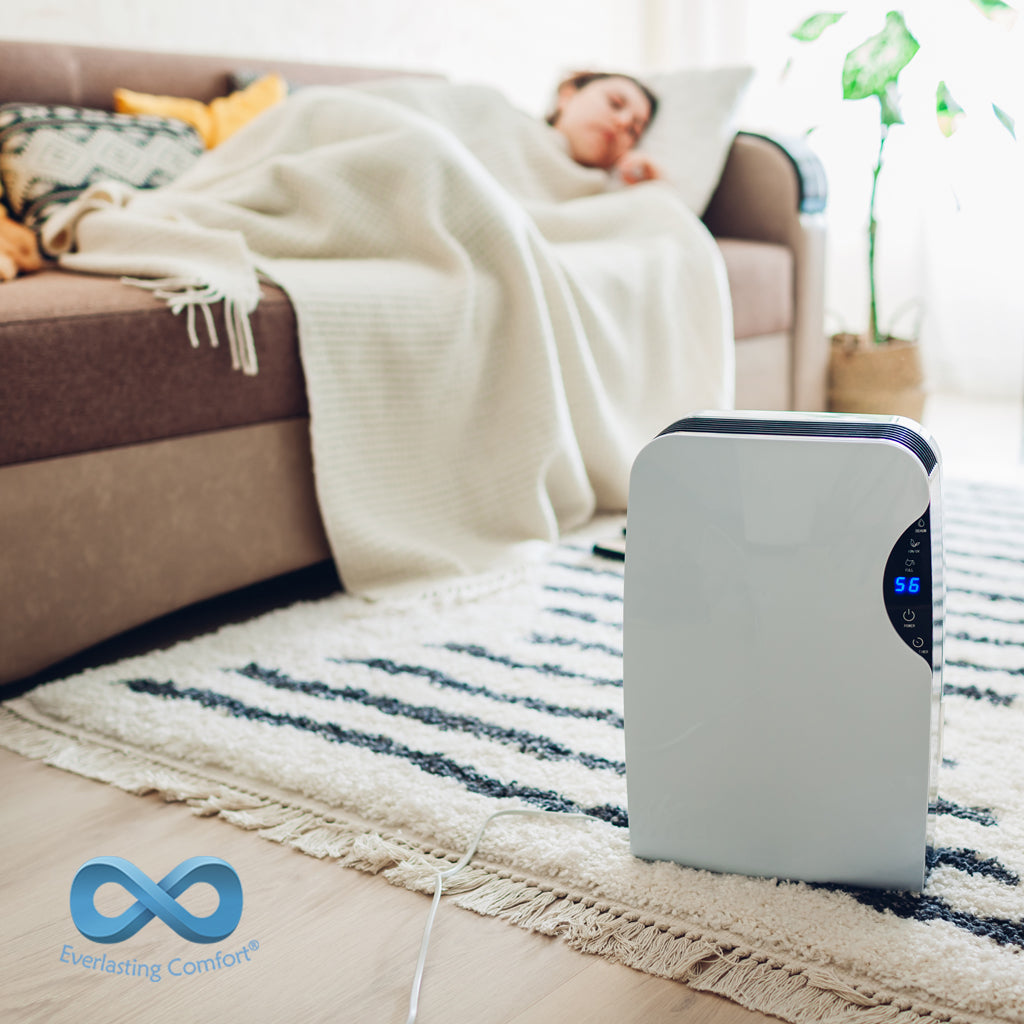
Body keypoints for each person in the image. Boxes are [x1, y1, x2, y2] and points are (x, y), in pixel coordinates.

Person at [547, 72, 662, 185]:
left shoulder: (622, 195)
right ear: (567, 95)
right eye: (615, 103)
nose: (623, 122)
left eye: (633, 131)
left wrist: (654, 185)